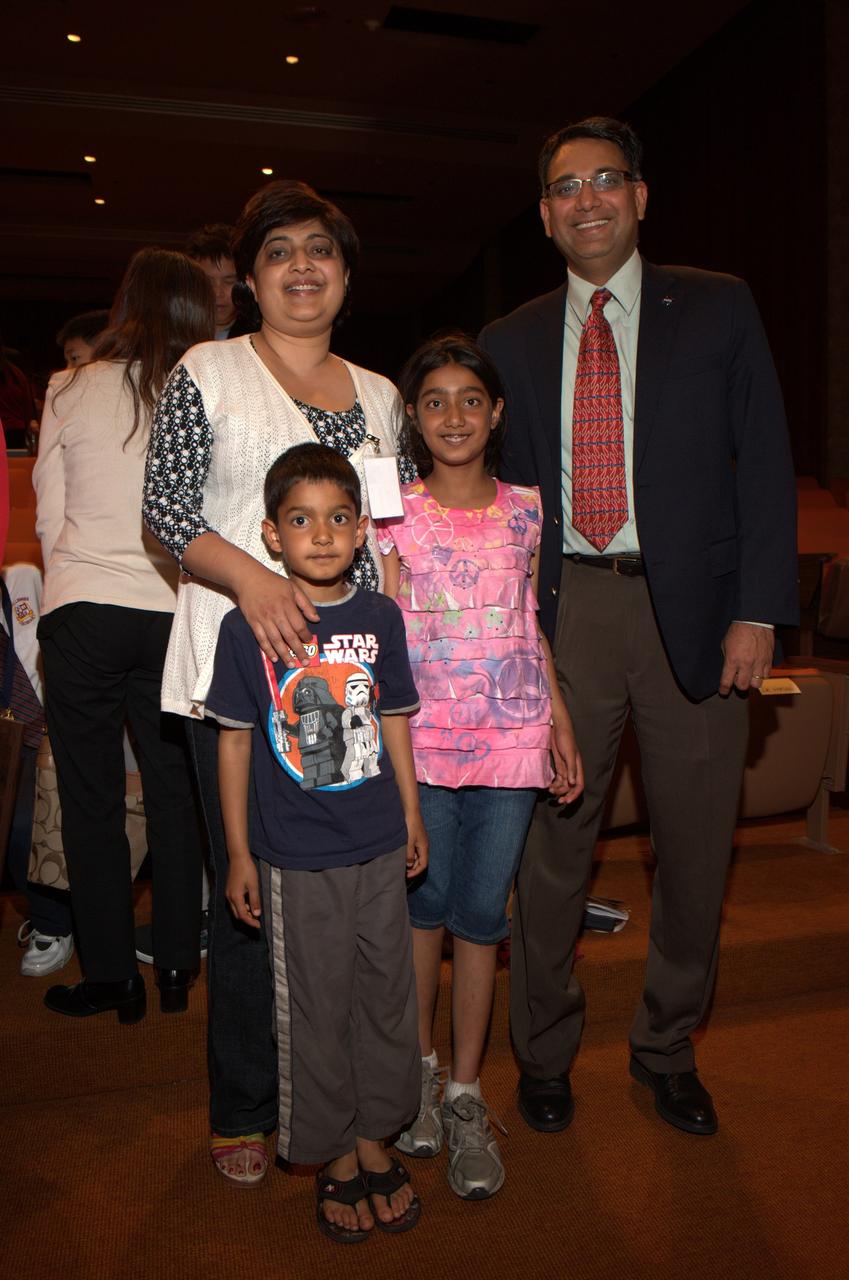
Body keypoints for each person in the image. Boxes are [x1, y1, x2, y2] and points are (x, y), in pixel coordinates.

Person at [478, 116, 798, 1137]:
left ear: (641, 196)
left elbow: (766, 460)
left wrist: (758, 607)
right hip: (565, 615)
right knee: (551, 850)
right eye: (566, 186)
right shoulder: (510, 340)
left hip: (697, 618)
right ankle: (543, 1050)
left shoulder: (719, 307)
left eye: (606, 179)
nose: (588, 200)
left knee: (697, 850)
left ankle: (666, 1044)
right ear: (544, 214)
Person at [143, 179, 415, 1185]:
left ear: (346, 273)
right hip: (242, 688)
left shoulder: (383, 395)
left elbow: (381, 550)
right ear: (251, 277)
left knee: (355, 911)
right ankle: (248, 1104)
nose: (302, 267)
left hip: (350, 692)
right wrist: (255, 579)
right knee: (254, 901)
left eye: (321, 251)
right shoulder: (208, 370)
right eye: (279, 253)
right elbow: (168, 509)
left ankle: (355, 1102)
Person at [377, 334, 583, 1199]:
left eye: (469, 399)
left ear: (495, 412)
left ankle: (465, 1091)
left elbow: (528, 625)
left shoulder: (528, 508)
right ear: (414, 421)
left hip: (510, 746)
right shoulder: (392, 514)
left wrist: (559, 724)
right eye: (433, 401)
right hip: (422, 746)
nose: (452, 415)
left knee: (480, 921)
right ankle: (416, 1077)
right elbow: (387, 647)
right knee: (423, 913)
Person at [206, 442, 426, 1242]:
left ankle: (377, 1136)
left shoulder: (380, 618)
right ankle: (334, 1155)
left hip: (376, 842)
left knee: (384, 995)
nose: (323, 534)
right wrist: (237, 854)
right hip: (296, 855)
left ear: (363, 529)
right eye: (302, 519)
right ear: (271, 535)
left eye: (339, 518)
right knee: (317, 1007)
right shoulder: (250, 626)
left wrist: (411, 813)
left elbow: (395, 719)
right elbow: (232, 743)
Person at [33, 247, 212, 1023]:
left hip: (84, 607)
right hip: (175, 610)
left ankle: (112, 976)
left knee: (91, 798)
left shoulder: (71, 385)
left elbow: (47, 515)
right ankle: (174, 963)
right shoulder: (207, 389)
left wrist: (69, 584)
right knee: (177, 798)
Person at [184, 224, 251, 340]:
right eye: (208, 282)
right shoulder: (173, 335)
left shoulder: (258, 338)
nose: (218, 292)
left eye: (229, 281)